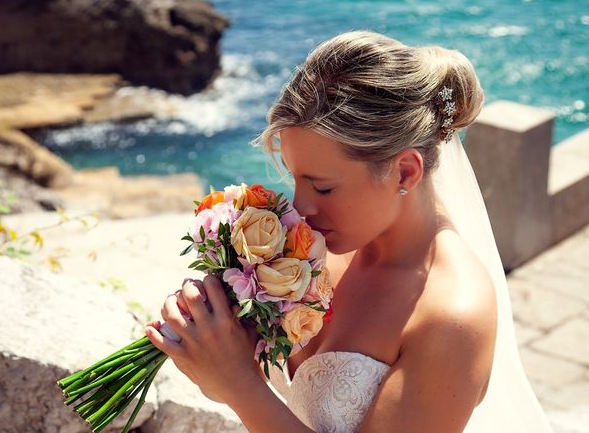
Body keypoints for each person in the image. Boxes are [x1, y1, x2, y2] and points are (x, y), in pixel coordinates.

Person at [146, 31, 554, 432]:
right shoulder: (315, 246)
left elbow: (249, 391)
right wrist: (218, 339)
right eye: (295, 177)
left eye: (322, 186)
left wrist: (239, 385)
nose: (300, 206)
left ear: (405, 171)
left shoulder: (452, 315)